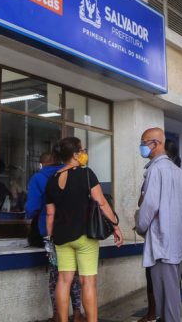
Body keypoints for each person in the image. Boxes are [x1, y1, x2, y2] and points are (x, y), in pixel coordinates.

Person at [46, 137, 123, 322]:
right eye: (82, 150)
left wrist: (50, 239)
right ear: (75, 154)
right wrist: (115, 225)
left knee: (64, 280)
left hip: (62, 237)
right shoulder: (86, 174)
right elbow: (101, 202)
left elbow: (50, 214)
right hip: (84, 236)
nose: (84, 153)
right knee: (87, 281)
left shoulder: (52, 179)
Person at [136, 128, 182, 322]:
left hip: (162, 244)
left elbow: (149, 206)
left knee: (166, 300)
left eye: (144, 142)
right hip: (176, 243)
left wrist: (140, 226)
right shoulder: (178, 172)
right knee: (172, 295)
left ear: (156, 144)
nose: (142, 147)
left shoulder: (156, 169)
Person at [25, 150, 83, 322]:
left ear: (42, 164)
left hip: (53, 233)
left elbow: (34, 207)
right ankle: (78, 313)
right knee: (75, 275)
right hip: (76, 231)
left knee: (56, 277)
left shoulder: (39, 178)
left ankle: (58, 314)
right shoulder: (72, 173)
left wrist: (29, 216)